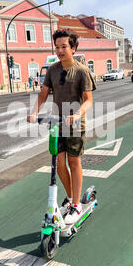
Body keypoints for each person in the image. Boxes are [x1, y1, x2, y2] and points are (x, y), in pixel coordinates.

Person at [27, 29, 96, 224]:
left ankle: (76, 204)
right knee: (59, 165)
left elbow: (89, 100)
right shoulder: (52, 70)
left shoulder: (82, 71)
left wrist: (77, 114)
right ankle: (70, 197)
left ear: (73, 48)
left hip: (75, 125)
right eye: (56, 47)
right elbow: (43, 94)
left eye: (64, 46)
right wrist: (34, 112)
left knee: (74, 163)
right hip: (57, 124)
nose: (59, 50)